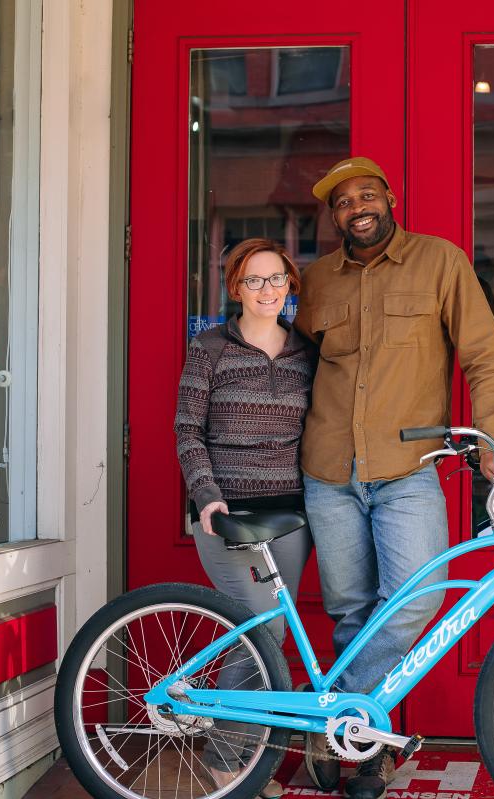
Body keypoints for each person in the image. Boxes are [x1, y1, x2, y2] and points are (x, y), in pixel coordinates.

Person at [295, 157, 494, 799]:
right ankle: (363, 752)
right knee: (350, 613)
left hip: (407, 472)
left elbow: (485, 357)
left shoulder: (440, 262)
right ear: (334, 215)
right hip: (328, 468)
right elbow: (295, 370)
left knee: (415, 600)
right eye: (342, 201)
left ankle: (330, 717)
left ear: (391, 197)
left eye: (367, 194)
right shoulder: (315, 282)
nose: (356, 207)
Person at [174, 238, 316, 799]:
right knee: (264, 631)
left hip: (290, 517)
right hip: (226, 515)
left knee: (267, 635)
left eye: (276, 279)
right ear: (235, 287)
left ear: (290, 286)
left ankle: (244, 757)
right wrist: (207, 496)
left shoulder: (306, 351)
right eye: (254, 280)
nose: (266, 290)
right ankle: (226, 760)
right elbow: (188, 429)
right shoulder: (210, 347)